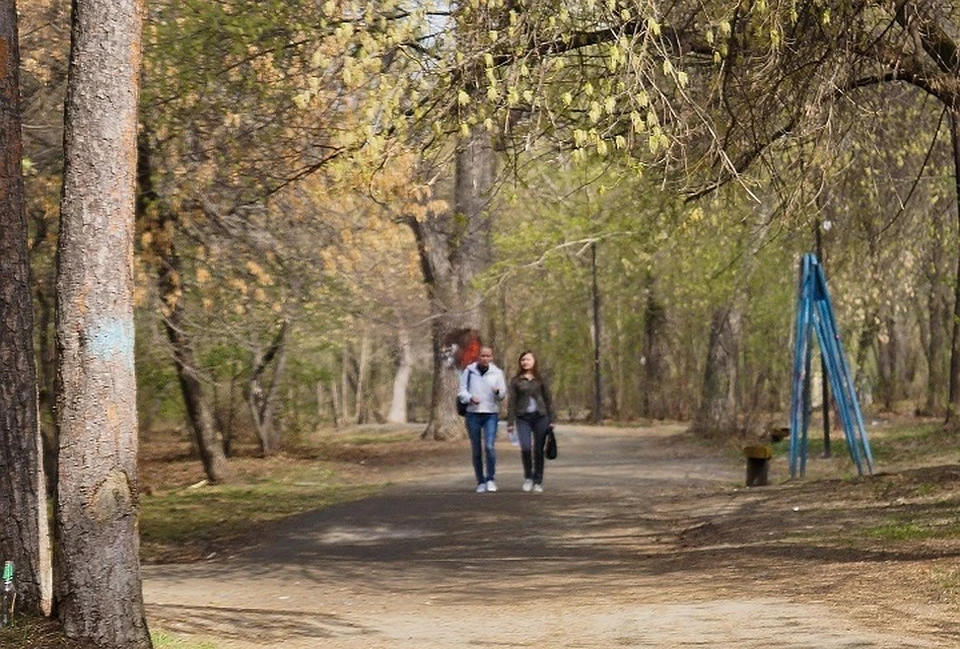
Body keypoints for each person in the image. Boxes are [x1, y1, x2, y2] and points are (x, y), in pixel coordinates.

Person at [458, 345, 507, 493]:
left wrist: (498, 392)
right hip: (473, 414)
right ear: (477, 357)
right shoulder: (469, 371)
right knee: (476, 448)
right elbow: (461, 392)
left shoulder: (497, 372)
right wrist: (470, 398)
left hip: (490, 414)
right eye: (482, 356)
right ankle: (480, 481)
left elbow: (502, 395)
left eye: (488, 356)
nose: (485, 358)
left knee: (490, 447)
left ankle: (490, 479)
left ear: (491, 357)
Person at [506, 350, 556, 493]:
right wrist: (510, 422)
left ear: (534, 361)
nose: (525, 362)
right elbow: (512, 402)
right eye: (523, 360)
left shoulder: (541, 379)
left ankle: (538, 481)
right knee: (526, 447)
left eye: (528, 359)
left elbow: (548, 399)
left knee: (538, 450)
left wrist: (552, 419)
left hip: (541, 417)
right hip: (523, 418)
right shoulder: (516, 380)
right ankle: (528, 477)